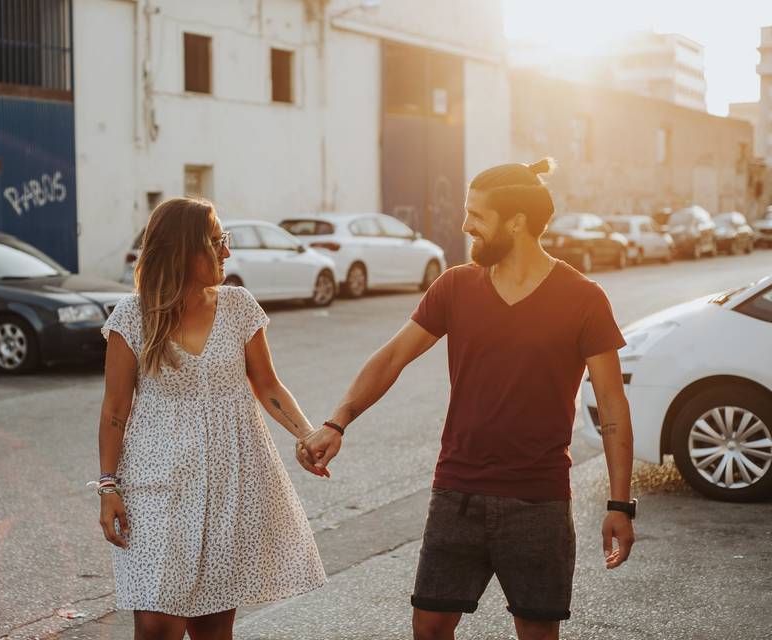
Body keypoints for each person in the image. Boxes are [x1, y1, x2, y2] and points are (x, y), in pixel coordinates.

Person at [298, 159, 636, 640]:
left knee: (537, 632)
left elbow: (613, 407)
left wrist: (620, 504)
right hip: (457, 492)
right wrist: (337, 421)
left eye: (476, 215)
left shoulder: (583, 298)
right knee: (430, 626)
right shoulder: (456, 286)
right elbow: (393, 356)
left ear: (515, 221)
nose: (465, 225)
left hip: (538, 499)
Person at [96, 197, 326, 640]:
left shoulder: (239, 306)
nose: (227, 251)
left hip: (230, 480)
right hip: (156, 483)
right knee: (157, 624)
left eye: (225, 240)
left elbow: (268, 385)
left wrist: (307, 433)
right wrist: (108, 486)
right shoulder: (132, 315)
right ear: (183, 250)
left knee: (214, 626)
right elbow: (114, 410)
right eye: (217, 241)